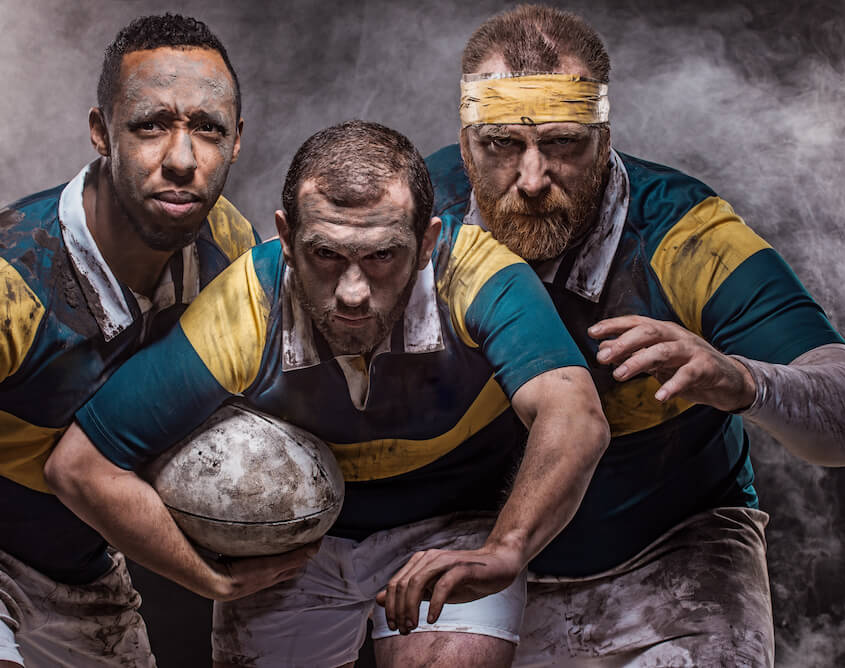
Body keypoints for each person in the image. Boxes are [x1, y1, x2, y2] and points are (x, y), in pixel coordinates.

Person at [425, 5, 845, 666]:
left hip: (677, 550)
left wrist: (740, 380)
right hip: (483, 556)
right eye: (501, 144)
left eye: (562, 143)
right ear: (465, 133)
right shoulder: (415, 213)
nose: (531, 180)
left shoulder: (684, 231)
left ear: (605, 135)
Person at [45, 120, 610, 667]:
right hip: (294, 545)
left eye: (384, 256)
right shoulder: (247, 305)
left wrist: (506, 548)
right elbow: (80, 466)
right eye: (326, 255)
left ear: (428, 241)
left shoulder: (481, 277)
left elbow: (574, 413)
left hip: (453, 523)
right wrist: (207, 577)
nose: (353, 293)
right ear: (287, 238)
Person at [0, 14, 301, 667]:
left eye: (208, 129)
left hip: (86, 566)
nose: (182, 160)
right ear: (101, 132)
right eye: (151, 124)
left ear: (236, 142)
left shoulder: (227, 245)